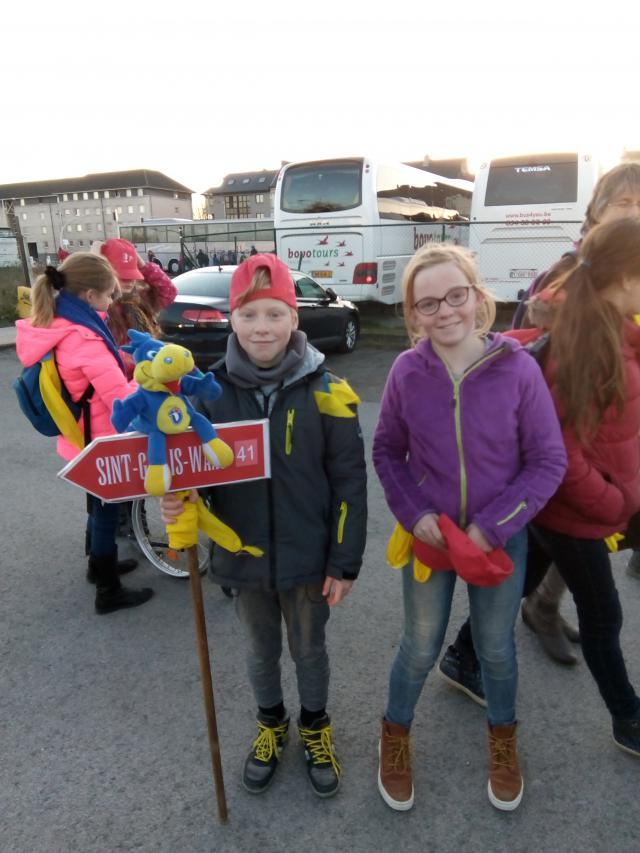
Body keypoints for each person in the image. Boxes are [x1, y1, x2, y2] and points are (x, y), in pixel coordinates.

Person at [160, 253, 367, 798]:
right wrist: (180, 504)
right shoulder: (207, 394)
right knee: (260, 652)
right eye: (250, 315)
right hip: (243, 555)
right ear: (232, 319)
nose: (262, 328)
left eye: (275, 314)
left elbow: (349, 482)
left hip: (309, 557)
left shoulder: (328, 390)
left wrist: (343, 561)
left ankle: (315, 726)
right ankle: (272, 723)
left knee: (309, 651)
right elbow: (191, 475)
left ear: (294, 319)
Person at [372, 244, 566, 812]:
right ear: (412, 314)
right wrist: (416, 514)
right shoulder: (408, 371)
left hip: (498, 539)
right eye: (427, 303)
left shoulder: (518, 369)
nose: (445, 311)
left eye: (455, 296)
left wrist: (493, 525)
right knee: (420, 645)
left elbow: (547, 462)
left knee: (498, 650)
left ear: (478, 297)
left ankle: (503, 742)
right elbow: (387, 451)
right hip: (429, 540)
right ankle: (394, 736)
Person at [442, 161, 640, 689]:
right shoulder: (573, 281)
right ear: (598, 210)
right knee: (595, 601)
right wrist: (609, 496)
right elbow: (539, 391)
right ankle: (624, 714)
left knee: (528, 572)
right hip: (568, 484)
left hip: (589, 479)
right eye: (624, 206)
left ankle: (500, 634)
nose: (634, 214)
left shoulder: (621, 293)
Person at [523, 217, 640, 757]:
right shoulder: (587, 346)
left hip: (575, 510)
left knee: (520, 583)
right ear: (624, 279)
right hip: (573, 512)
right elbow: (562, 453)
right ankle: (627, 717)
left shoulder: (619, 332)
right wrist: (613, 500)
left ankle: (464, 653)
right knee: (604, 615)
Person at [15, 253, 154, 614]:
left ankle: (97, 566)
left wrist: (123, 361)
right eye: (108, 295)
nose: (111, 302)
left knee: (96, 505)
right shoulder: (85, 338)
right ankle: (108, 591)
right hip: (102, 438)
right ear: (90, 296)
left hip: (81, 435)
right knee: (107, 510)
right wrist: (148, 383)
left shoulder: (61, 325)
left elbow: (92, 374)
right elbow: (118, 397)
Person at [98, 237, 177, 380]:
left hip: (147, 380)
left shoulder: (139, 300)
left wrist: (141, 265)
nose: (130, 281)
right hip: (118, 383)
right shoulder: (100, 306)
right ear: (106, 275)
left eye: (133, 275)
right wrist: (94, 262)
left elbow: (168, 292)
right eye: (123, 276)